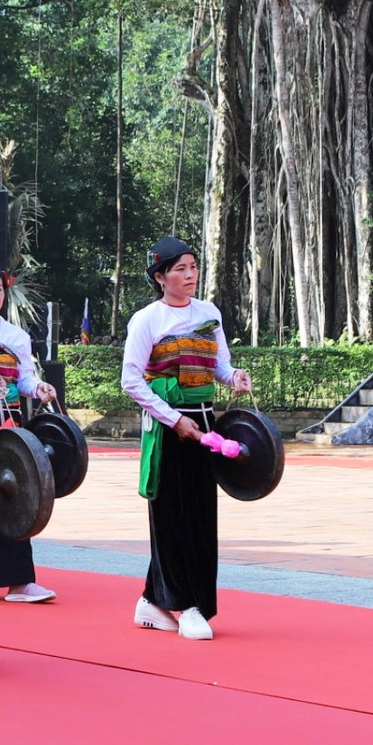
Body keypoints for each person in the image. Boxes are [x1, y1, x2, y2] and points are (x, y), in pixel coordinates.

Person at [120, 238, 252, 641]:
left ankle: (153, 601)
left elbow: (220, 365)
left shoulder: (209, 313)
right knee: (170, 517)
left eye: (193, 266)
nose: (189, 274)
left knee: (199, 516)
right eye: (179, 269)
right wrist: (174, 420)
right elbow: (130, 381)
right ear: (160, 277)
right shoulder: (147, 320)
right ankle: (186, 605)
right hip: (166, 428)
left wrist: (235, 378)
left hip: (204, 425)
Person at [0, 258, 58, 603]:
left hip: (9, 423)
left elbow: (26, 379)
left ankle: (20, 581)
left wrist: (40, 389)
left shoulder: (15, 335)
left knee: (18, 495)